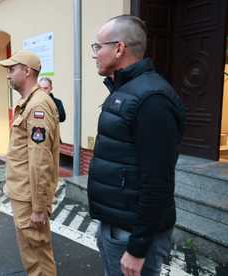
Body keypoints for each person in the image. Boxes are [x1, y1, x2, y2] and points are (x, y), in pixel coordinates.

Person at [87, 15, 185, 276]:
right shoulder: (127, 91)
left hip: (131, 235)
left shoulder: (152, 99)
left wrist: (138, 248)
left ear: (118, 49)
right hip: (118, 225)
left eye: (98, 47)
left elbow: (157, 181)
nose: (95, 54)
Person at [0, 50, 60, 276]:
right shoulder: (30, 103)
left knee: (38, 259)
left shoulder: (37, 107)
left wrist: (38, 207)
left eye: (11, 70)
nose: (8, 75)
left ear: (27, 71)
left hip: (29, 198)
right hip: (23, 194)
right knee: (32, 256)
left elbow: (40, 161)